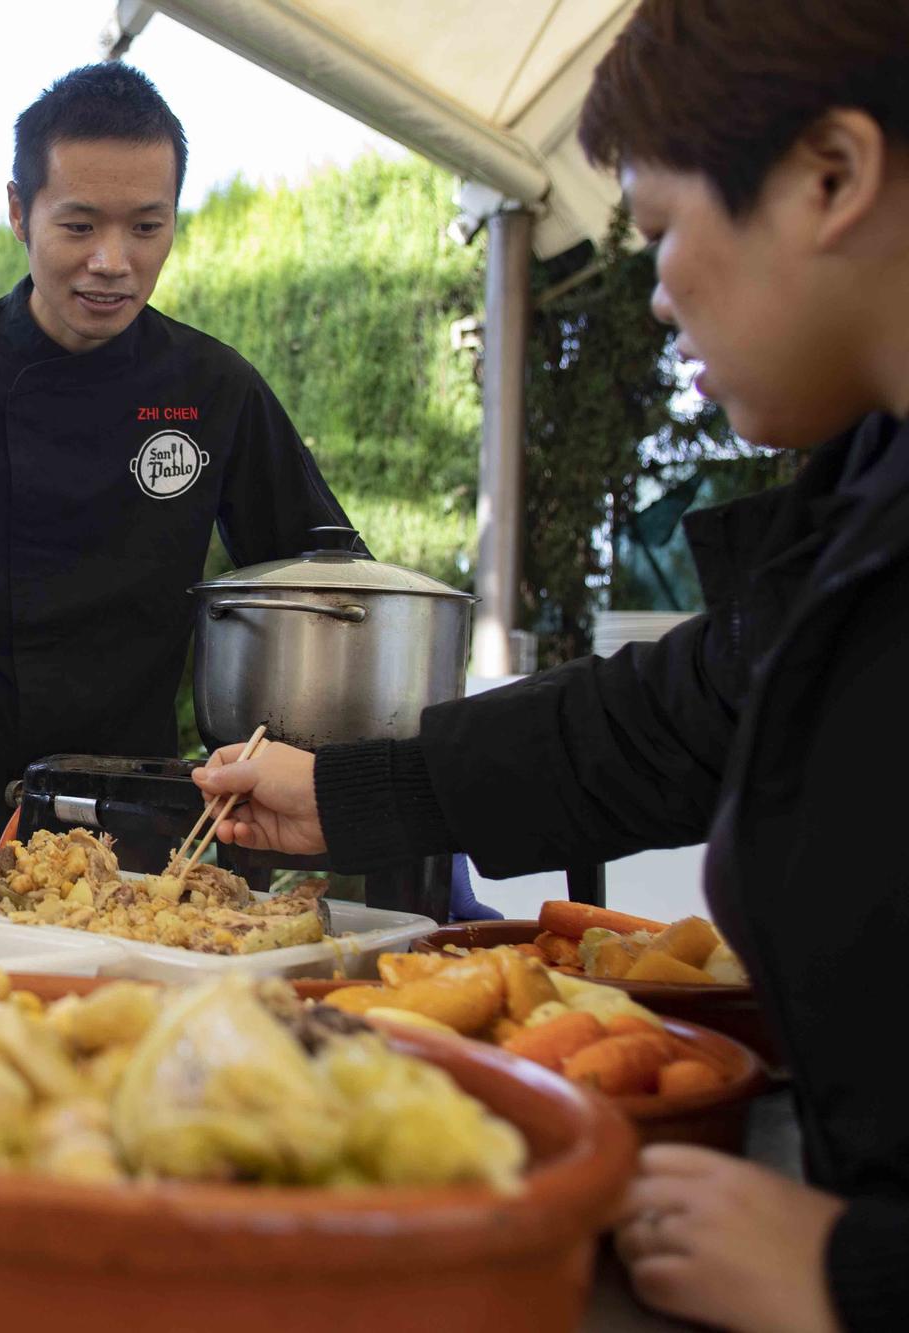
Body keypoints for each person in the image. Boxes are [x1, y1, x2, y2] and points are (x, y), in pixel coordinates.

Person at [191, 2, 909, 1328]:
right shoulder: (866, 492)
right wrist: (351, 793)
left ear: (832, 175)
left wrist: (856, 1272)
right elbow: (676, 716)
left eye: (663, 230)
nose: (657, 289)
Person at [0, 64, 363, 865]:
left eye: (147, 227)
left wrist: (368, 786)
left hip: (142, 828)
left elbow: (330, 588)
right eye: (78, 227)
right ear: (16, 212)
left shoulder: (215, 388)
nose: (113, 261)